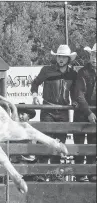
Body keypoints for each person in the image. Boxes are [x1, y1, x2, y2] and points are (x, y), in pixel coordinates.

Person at [30, 44, 78, 182]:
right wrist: (34, 95)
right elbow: (35, 84)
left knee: (60, 144)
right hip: (48, 110)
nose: (61, 59)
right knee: (45, 141)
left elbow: (75, 92)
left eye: (64, 57)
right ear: (56, 57)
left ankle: (57, 175)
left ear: (69, 59)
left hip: (63, 111)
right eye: (59, 56)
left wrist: (75, 102)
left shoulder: (73, 74)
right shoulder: (46, 70)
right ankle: (40, 173)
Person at [72, 43, 96, 182]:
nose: (94, 58)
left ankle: (92, 172)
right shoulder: (83, 72)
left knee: (93, 144)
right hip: (83, 113)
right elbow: (79, 94)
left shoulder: (83, 72)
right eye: (93, 55)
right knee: (79, 145)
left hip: (92, 113)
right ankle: (80, 174)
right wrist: (88, 112)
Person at [10, 104, 37, 181]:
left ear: (28, 117)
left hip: (28, 164)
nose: (20, 116)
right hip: (15, 163)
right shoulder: (13, 130)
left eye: (22, 114)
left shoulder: (32, 131)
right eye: (18, 114)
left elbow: (33, 156)